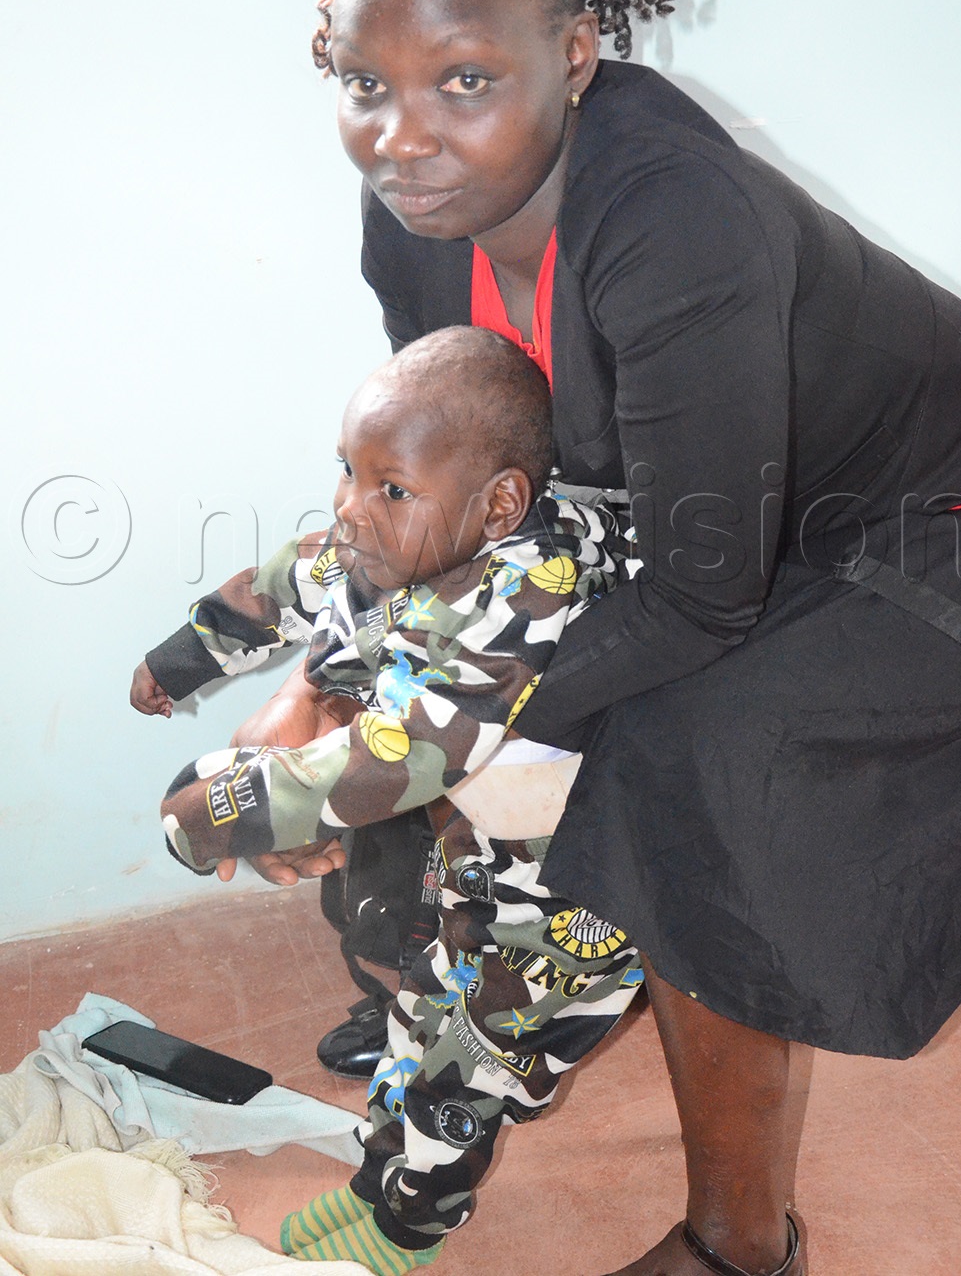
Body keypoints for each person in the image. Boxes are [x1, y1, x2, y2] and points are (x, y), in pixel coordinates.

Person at [299, 0, 961, 1273]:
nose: (403, 138)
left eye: (463, 81)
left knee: (692, 759)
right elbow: (432, 474)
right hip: (737, 509)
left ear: (574, 51)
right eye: (366, 82)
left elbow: (696, 604)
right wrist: (333, 681)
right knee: (469, 705)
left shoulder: (677, 224)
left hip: (950, 502)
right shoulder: (413, 213)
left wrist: (426, 731)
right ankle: (511, 991)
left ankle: (742, 1243)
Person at [161, 326, 644, 1273]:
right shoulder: (415, 532)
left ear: (502, 502)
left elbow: (406, 756)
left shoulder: (528, 590)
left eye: (388, 488)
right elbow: (293, 579)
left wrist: (214, 806)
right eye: (347, 469)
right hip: (483, 855)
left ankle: (408, 1227)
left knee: (469, 1066)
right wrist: (182, 658)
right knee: (416, 1021)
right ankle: (380, 1182)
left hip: (576, 891)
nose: (350, 506)